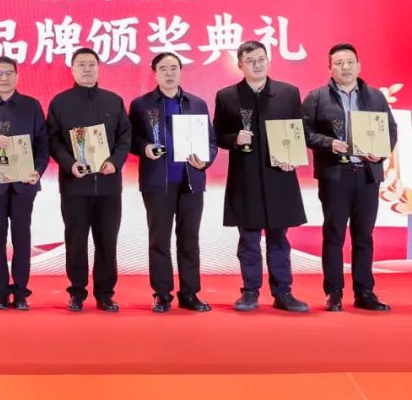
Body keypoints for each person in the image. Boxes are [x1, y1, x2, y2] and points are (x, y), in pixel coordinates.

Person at [214, 40, 308, 313]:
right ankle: (250, 291)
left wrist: (293, 156)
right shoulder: (227, 96)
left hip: (279, 176)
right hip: (245, 178)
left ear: (268, 61)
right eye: (250, 61)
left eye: (261, 59)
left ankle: (283, 292)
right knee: (249, 239)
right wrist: (235, 138)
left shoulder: (288, 93)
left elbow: (298, 131)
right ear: (240, 65)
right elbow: (217, 135)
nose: (257, 65)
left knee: (279, 239)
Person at [303, 43, 397, 312]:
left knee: (364, 235)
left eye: (350, 62)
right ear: (329, 68)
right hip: (335, 175)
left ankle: (364, 291)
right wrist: (329, 143)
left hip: (367, 175)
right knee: (334, 234)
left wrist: (380, 153)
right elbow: (304, 132)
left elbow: (390, 130)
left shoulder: (375, 97)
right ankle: (333, 292)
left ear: (359, 65)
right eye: (339, 63)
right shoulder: (317, 97)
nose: (345, 67)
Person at [128, 52, 217, 313]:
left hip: (191, 181)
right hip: (158, 182)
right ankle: (162, 294)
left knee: (189, 238)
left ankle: (190, 293)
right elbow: (130, 139)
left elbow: (210, 141)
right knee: (159, 239)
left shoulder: (196, 103)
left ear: (181, 71)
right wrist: (144, 148)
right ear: (155, 73)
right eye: (163, 69)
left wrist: (205, 160)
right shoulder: (141, 105)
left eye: (174, 68)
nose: (169, 73)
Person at [46, 47, 131, 312]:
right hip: (75, 186)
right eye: (81, 64)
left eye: (92, 64)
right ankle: (77, 292)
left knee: (107, 241)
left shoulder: (113, 101)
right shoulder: (60, 102)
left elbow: (125, 137)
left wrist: (114, 162)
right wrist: (70, 164)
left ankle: (105, 294)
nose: (87, 69)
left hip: (108, 186)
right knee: (76, 241)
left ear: (98, 68)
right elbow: (53, 141)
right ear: (72, 69)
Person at [0, 56, 49, 310]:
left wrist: (37, 170)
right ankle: (1, 292)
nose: (4, 78)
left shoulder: (31, 106)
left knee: (22, 237)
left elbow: (42, 144)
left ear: (17, 76)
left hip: (25, 182)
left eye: (9, 73)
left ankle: (21, 291)